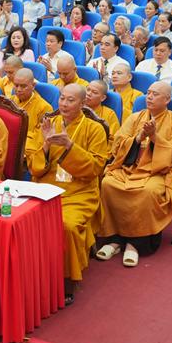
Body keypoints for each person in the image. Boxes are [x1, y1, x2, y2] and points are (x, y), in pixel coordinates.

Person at [20, 83, 108, 302]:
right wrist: (46, 146)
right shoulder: (48, 124)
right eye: (62, 98)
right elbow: (34, 167)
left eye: (70, 100)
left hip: (79, 192)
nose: (64, 104)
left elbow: (95, 169)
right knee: (20, 218)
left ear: (83, 103)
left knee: (65, 225)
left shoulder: (94, 129)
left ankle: (66, 281)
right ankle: (27, 271)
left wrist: (70, 147)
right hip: (46, 187)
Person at [97, 80, 172, 269]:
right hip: (130, 167)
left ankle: (136, 244)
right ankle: (114, 239)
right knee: (108, 184)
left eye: (155, 94)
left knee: (148, 192)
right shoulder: (135, 117)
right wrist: (138, 138)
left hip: (157, 171)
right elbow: (117, 144)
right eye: (148, 93)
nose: (149, 97)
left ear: (167, 99)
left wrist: (155, 137)